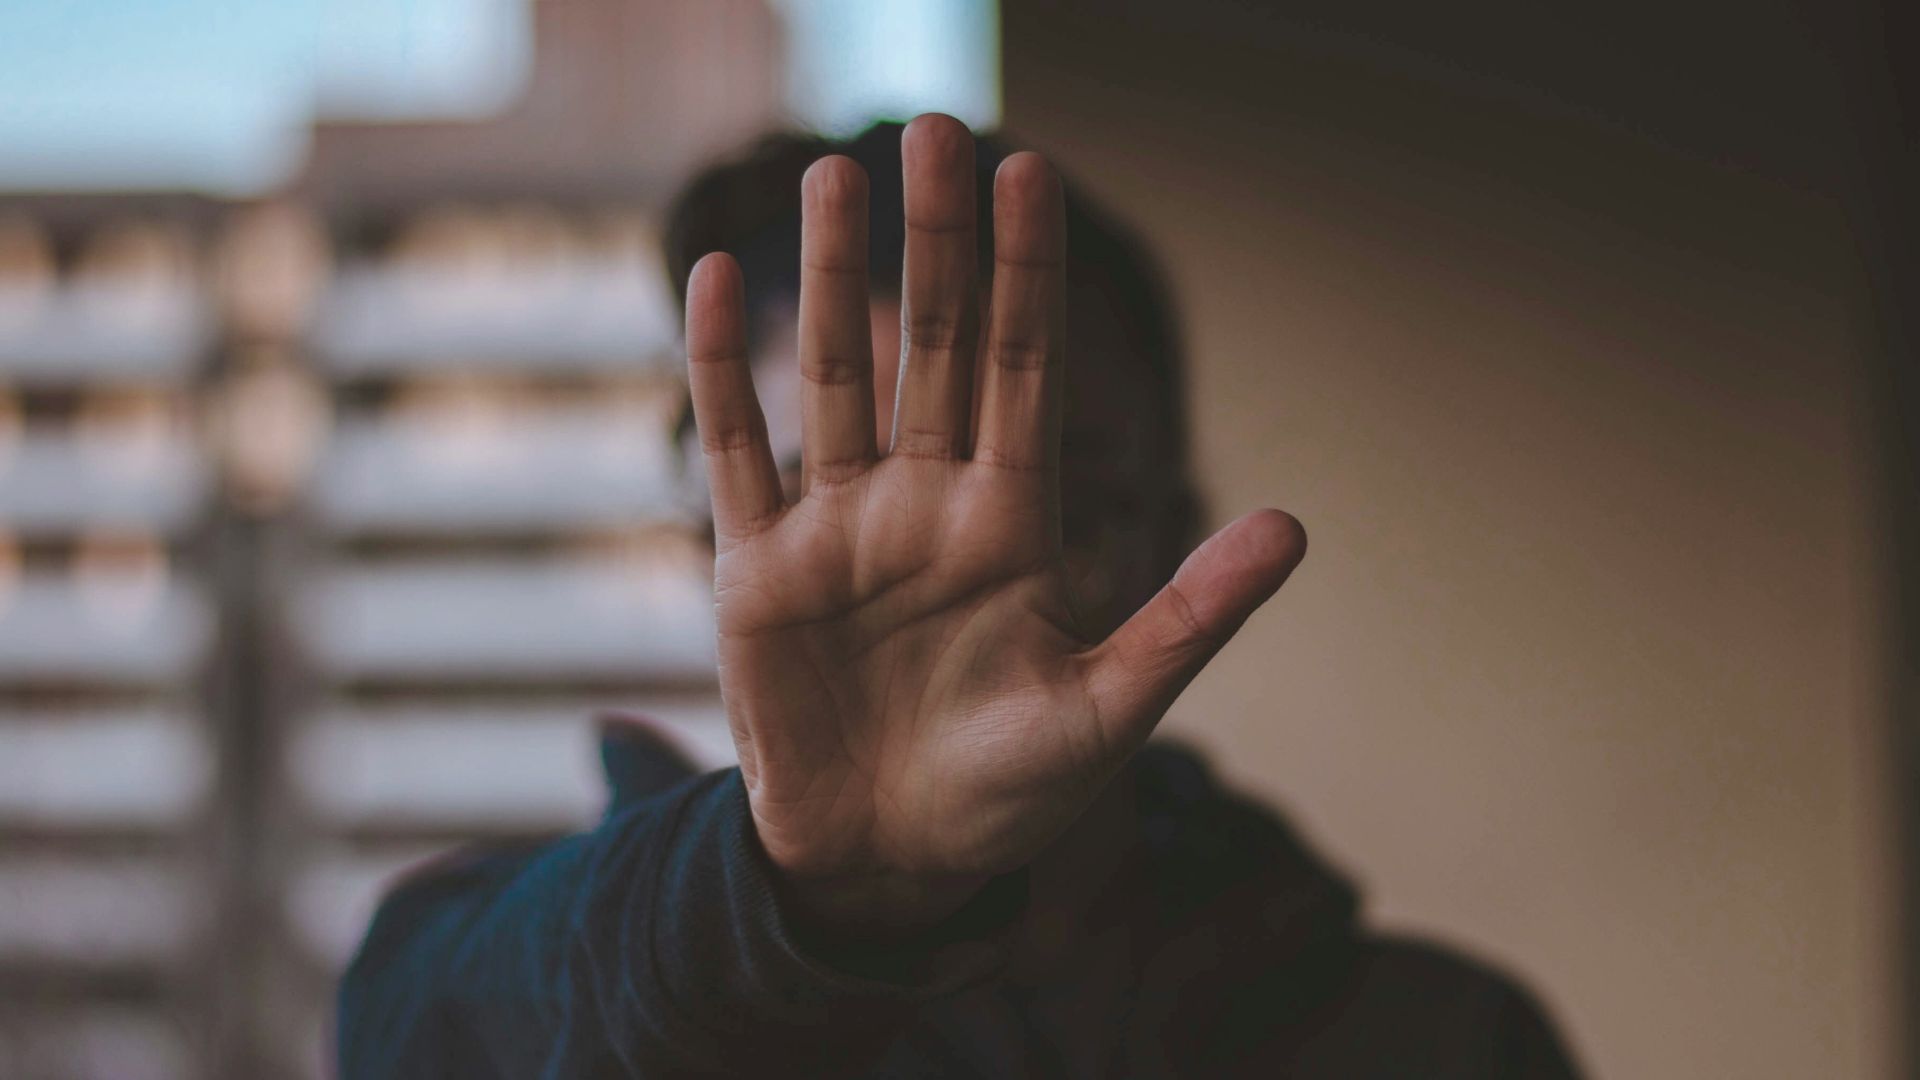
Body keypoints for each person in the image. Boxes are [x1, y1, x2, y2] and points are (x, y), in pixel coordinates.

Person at [337, 115, 1581, 1079]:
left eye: (1062, 505)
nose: (948, 603)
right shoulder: (513, 983)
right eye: (838, 507)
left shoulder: (1439, 1042)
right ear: (703, 550)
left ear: (1177, 530)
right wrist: (812, 903)